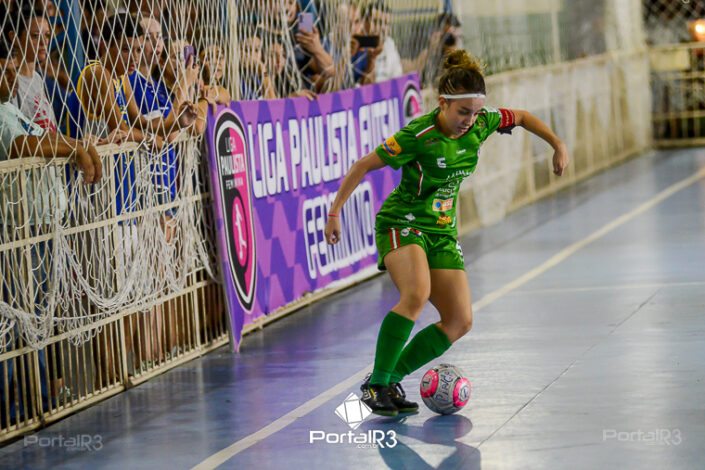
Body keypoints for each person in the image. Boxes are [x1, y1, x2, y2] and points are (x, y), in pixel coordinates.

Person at [324, 50, 569, 416]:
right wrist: (334, 212)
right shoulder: (418, 135)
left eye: (474, 113)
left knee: (459, 320)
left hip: (441, 231)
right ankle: (376, 386)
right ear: (442, 104)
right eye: (462, 112)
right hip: (403, 222)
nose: (469, 121)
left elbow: (521, 117)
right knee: (416, 294)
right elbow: (362, 166)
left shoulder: (482, 123)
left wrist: (558, 144)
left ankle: (388, 379)